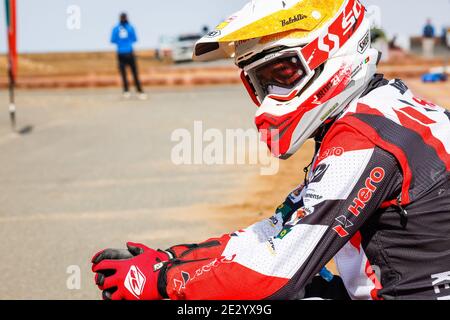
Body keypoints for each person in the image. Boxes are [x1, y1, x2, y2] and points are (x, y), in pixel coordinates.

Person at [92, 0, 450, 300]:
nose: (272, 96)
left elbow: (277, 276)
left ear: (332, 48)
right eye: (261, 82)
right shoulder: (387, 109)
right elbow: (278, 230)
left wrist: (159, 283)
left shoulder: (363, 141)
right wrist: (170, 261)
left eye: (283, 73)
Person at [111, 12, 147, 100]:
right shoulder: (130, 28)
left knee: (125, 74)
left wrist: (120, 43)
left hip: (121, 53)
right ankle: (138, 91)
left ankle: (128, 91)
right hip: (128, 52)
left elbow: (113, 40)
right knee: (133, 73)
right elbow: (134, 39)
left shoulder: (116, 28)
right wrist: (127, 43)